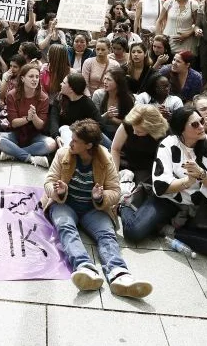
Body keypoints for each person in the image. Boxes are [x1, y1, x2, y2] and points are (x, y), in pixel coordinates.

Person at [42, 118, 153, 298]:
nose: (70, 142)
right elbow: (49, 181)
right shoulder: (63, 154)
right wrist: (58, 191)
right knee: (65, 227)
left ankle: (119, 274)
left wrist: (100, 197)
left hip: (93, 209)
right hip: (66, 204)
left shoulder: (105, 159)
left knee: (107, 235)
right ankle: (85, 268)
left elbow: (115, 191)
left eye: (76, 140)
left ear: (88, 145)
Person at [119, 107, 207, 257]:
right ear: (181, 129)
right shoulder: (168, 144)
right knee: (133, 232)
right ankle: (124, 203)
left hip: (202, 203)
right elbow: (161, 186)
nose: (201, 127)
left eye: (201, 121)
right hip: (169, 199)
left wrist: (201, 175)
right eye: (195, 124)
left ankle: (169, 230)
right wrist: (187, 181)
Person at [0, 62, 56, 167]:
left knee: (52, 144)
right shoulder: (12, 95)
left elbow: (40, 126)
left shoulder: (44, 97)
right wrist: (27, 118)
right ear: (22, 79)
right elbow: (14, 123)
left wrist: (34, 116)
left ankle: (13, 153)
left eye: (37, 77)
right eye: (31, 76)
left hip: (34, 136)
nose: (34, 79)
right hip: (15, 134)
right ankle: (30, 158)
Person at [110, 104, 169, 196]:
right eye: (133, 129)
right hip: (125, 159)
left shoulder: (164, 134)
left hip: (147, 166)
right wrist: (114, 174)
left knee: (139, 192)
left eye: (139, 131)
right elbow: (115, 149)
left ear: (152, 129)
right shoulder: (129, 124)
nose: (134, 132)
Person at [50, 73, 106, 149]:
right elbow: (53, 119)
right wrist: (56, 136)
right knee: (65, 129)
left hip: (82, 135)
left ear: (71, 89)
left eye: (63, 83)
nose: (60, 84)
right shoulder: (59, 98)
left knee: (103, 139)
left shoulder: (87, 103)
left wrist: (82, 133)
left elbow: (100, 123)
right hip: (63, 133)